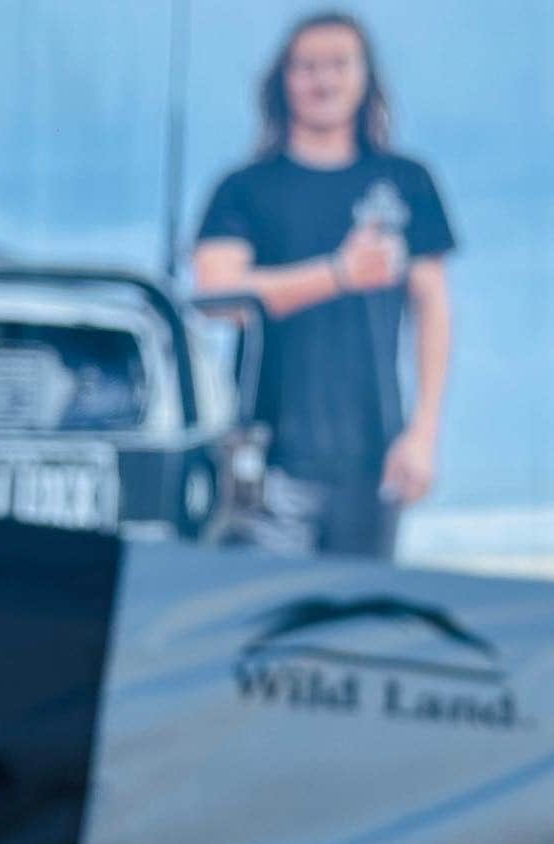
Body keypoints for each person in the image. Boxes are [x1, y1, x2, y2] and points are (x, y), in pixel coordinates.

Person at [192, 11, 455, 560]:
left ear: (366, 78)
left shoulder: (405, 181)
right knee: (271, 606)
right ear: (283, 81)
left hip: (375, 461)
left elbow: (432, 307)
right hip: (267, 458)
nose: (323, 80)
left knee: (356, 610)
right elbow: (217, 296)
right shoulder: (244, 188)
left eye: (339, 64)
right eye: (307, 66)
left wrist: (423, 433)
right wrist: (338, 274)